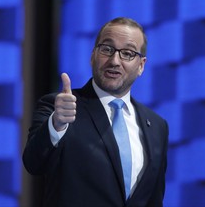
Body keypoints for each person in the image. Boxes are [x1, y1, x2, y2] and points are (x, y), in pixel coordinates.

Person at [23, 17, 169, 207]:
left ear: (141, 65)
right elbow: (33, 163)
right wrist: (56, 124)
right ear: (93, 55)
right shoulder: (59, 107)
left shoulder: (157, 126)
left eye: (127, 53)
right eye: (107, 49)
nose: (115, 61)